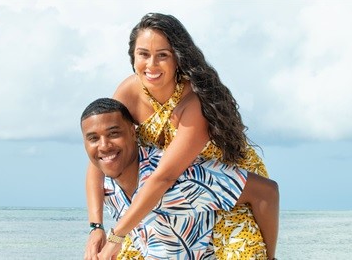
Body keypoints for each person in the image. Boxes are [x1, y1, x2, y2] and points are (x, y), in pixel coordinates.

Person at [84, 13, 279, 260]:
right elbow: (100, 158)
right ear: (133, 57)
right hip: (175, 194)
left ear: (178, 58)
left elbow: (164, 176)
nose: (151, 65)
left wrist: (117, 235)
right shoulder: (128, 91)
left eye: (162, 55)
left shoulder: (194, 102)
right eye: (143, 54)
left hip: (226, 188)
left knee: (246, 254)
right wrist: (96, 227)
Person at [81, 98, 275, 259]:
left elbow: (266, 191)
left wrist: (271, 257)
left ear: (133, 132)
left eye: (113, 134)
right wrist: (96, 227)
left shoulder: (184, 179)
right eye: (93, 138)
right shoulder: (107, 187)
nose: (104, 145)